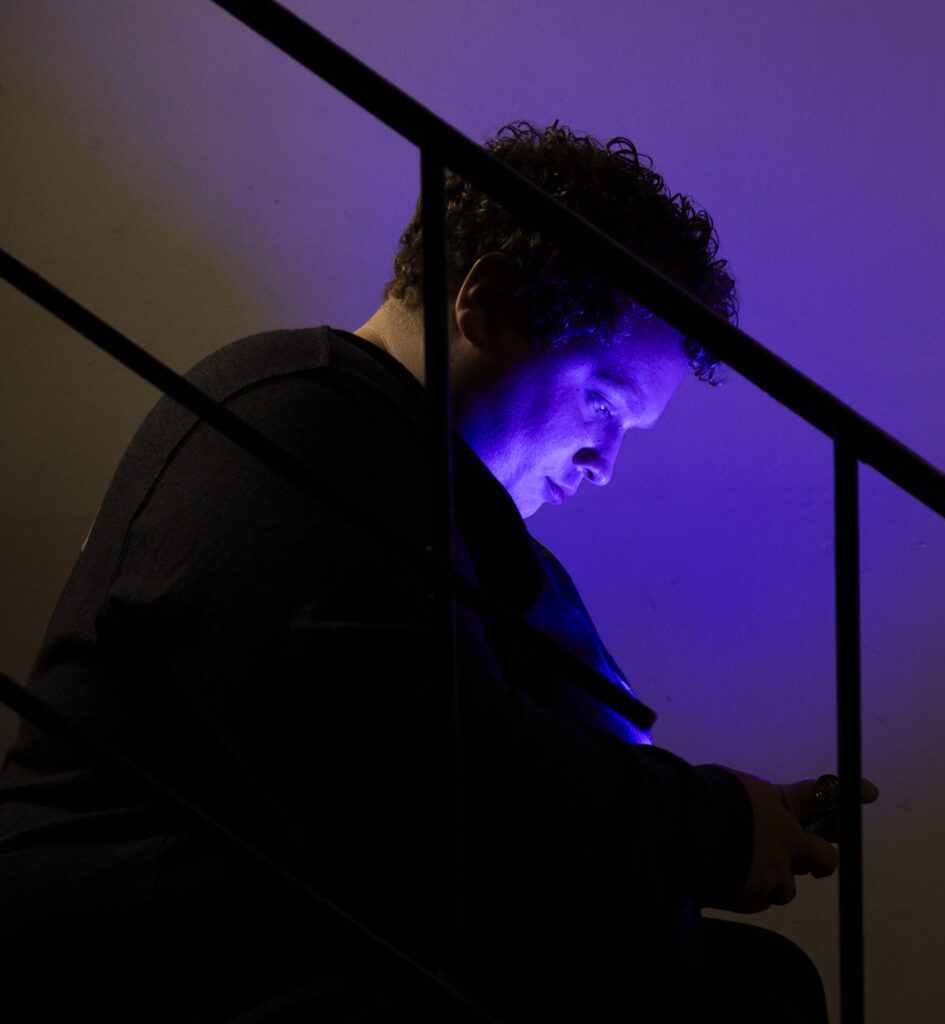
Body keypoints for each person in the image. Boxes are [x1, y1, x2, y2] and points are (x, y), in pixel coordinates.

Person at [0, 122, 875, 1021]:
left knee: (735, 980)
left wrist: (720, 814)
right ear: (484, 302)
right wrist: (715, 824)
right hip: (137, 966)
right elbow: (436, 781)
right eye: (603, 403)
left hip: (270, 941)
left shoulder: (408, 480)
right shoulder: (291, 425)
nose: (603, 463)